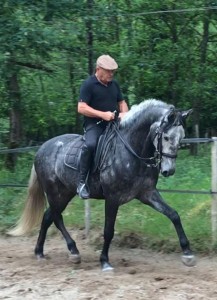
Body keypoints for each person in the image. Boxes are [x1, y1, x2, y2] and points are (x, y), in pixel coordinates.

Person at [77, 54, 129, 199]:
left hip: (114, 124)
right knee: (90, 145)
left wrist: (125, 114)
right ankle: (81, 182)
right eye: (108, 71)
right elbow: (81, 108)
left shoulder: (114, 85)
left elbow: (122, 102)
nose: (111, 74)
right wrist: (102, 114)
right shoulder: (88, 84)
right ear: (98, 69)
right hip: (95, 125)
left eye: (113, 71)